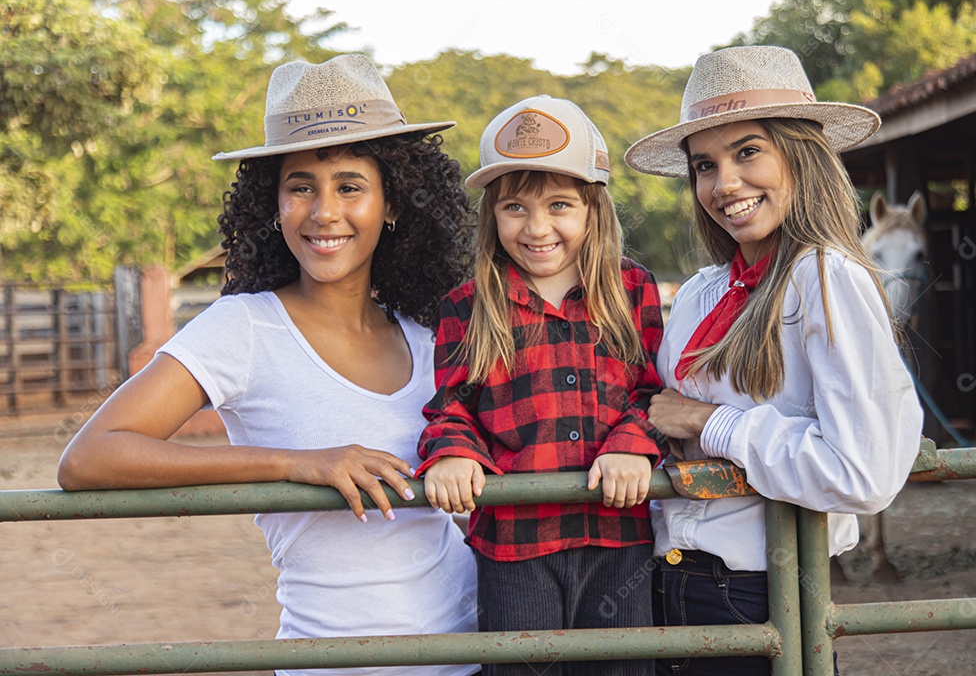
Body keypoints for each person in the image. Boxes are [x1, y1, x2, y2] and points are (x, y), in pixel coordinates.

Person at [57, 54, 479, 676]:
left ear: (391, 204)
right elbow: (88, 459)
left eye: (350, 186)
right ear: (273, 204)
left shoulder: (429, 333)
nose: (323, 211)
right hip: (332, 664)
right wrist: (298, 464)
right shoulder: (245, 328)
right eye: (301, 186)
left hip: (471, 652)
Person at [624, 45, 923, 676]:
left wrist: (712, 423)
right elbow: (658, 412)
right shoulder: (704, 291)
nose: (724, 183)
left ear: (801, 154)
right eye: (705, 165)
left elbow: (863, 472)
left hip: (761, 591)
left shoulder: (827, 278)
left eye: (748, 151)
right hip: (667, 585)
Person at [416, 96, 667, 676]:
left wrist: (631, 441)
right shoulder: (467, 305)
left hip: (618, 538)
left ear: (594, 210)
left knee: (624, 670)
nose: (537, 228)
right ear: (491, 214)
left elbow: (653, 393)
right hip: (514, 547)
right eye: (514, 207)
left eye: (560, 205)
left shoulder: (633, 290)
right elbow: (451, 406)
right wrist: (453, 453)